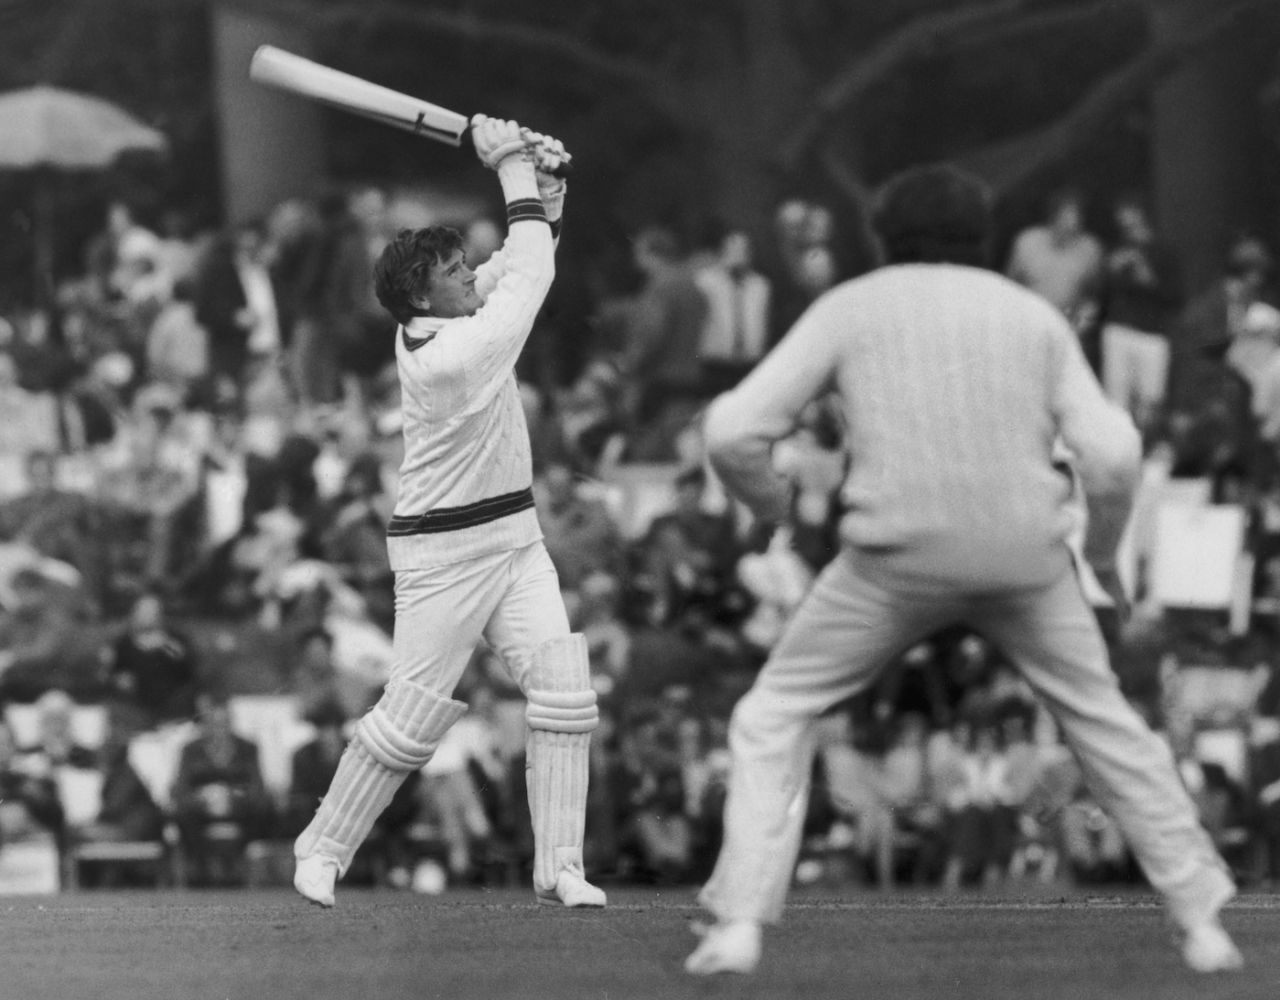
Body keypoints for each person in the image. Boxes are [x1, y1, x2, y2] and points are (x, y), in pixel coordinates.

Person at [684, 163, 1243, 976]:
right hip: (1026, 554)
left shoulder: (852, 305)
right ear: (982, 238)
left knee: (773, 714)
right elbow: (1115, 453)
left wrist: (771, 510)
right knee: (1104, 721)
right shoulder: (1033, 314)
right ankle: (1201, 919)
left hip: (893, 556)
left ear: (886, 236)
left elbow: (733, 429)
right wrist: (1100, 554)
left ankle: (738, 922)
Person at [292, 116, 605, 910]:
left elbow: (519, 259)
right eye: (455, 272)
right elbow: (528, 280)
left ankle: (561, 865)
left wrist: (548, 192)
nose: (472, 276)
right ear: (417, 297)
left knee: (565, 691)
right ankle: (322, 846)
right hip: (441, 554)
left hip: (515, 538)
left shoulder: (460, 315)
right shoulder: (449, 356)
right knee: (412, 721)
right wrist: (509, 171)